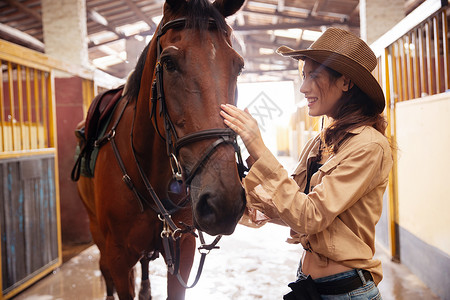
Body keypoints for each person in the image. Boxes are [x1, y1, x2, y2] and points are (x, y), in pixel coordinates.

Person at [220, 27, 393, 299]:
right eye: (303, 76)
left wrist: (258, 146)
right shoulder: (320, 142)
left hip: (346, 292)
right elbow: (292, 205)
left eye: (314, 76)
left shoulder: (369, 146)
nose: (303, 88)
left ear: (346, 83)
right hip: (308, 284)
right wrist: (233, 199)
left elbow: (309, 216)